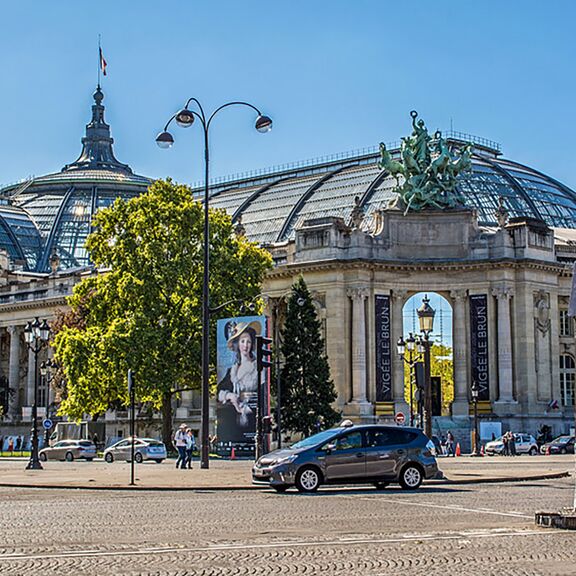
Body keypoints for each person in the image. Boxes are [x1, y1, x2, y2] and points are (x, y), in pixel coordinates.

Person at [217, 321, 260, 427]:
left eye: (248, 342)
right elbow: (219, 391)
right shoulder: (232, 371)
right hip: (232, 423)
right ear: (237, 344)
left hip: (254, 420)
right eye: (242, 341)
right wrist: (230, 395)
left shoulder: (258, 367)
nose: (245, 345)